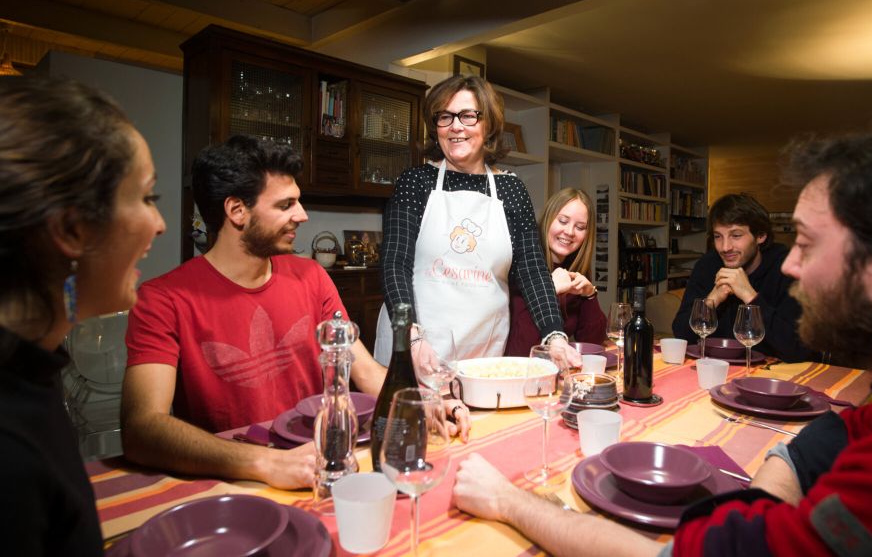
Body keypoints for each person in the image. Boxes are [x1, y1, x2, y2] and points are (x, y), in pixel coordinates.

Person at [453, 116, 872, 556]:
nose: (794, 265)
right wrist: (762, 499)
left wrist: (507, 501)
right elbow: (837, 432)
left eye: (806, 243)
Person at [121, 136, 468, 491]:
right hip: (230, 482)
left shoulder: (311, 277)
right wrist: (265, 463)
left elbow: (364, 370)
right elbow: (142, 429)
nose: (301, 215)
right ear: (237, 211)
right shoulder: (162, 299)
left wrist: (421, 401)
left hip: (317, 464)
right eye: (286, 205)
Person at [0, 76, 166, 555]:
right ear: (72, 229)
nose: (160, 224)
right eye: (147, 197)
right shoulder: (7, 452)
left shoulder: (32, 366)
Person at [375, 74, 579, 367]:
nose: (456, 126)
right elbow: (395, 263)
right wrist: (411, 336)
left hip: (481, 351)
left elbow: (532, 270)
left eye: (468, 116)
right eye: (445, 117)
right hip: (415, 344)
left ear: (488, 125)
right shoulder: (416, 182)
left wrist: (555, 336)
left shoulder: (512, 190)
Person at [672, 192, 812, 361]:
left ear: (761, 236)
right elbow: (680, 336)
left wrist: (750, 296)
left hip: (774, 375)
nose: (725, 247)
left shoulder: (788, 268)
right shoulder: (708, 265)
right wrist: (711, 301)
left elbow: (799, 349)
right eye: (718, 236)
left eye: (736, 235)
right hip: (716, 368)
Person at [505, 188, 605, 356]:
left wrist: (589, 295)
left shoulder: (575, 271)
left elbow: (593, 344)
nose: (570, 232)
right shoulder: (523, 267)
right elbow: (519, 349)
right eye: (563, 221)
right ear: (548, 219)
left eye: (580, 227)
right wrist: (549, 290)